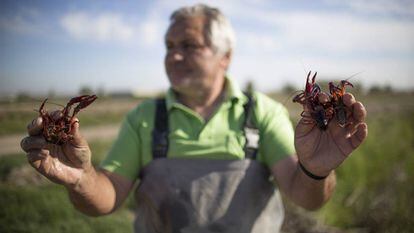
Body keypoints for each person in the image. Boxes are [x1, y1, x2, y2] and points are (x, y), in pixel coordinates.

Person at [20, 4, 368, 233]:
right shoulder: (143, 117)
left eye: (188, 45)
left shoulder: (263, 112)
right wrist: (81, 179)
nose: (173, 55)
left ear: (224, 57)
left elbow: (306, 197)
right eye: (169, 46)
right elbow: (106, 198)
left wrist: (315, 169)